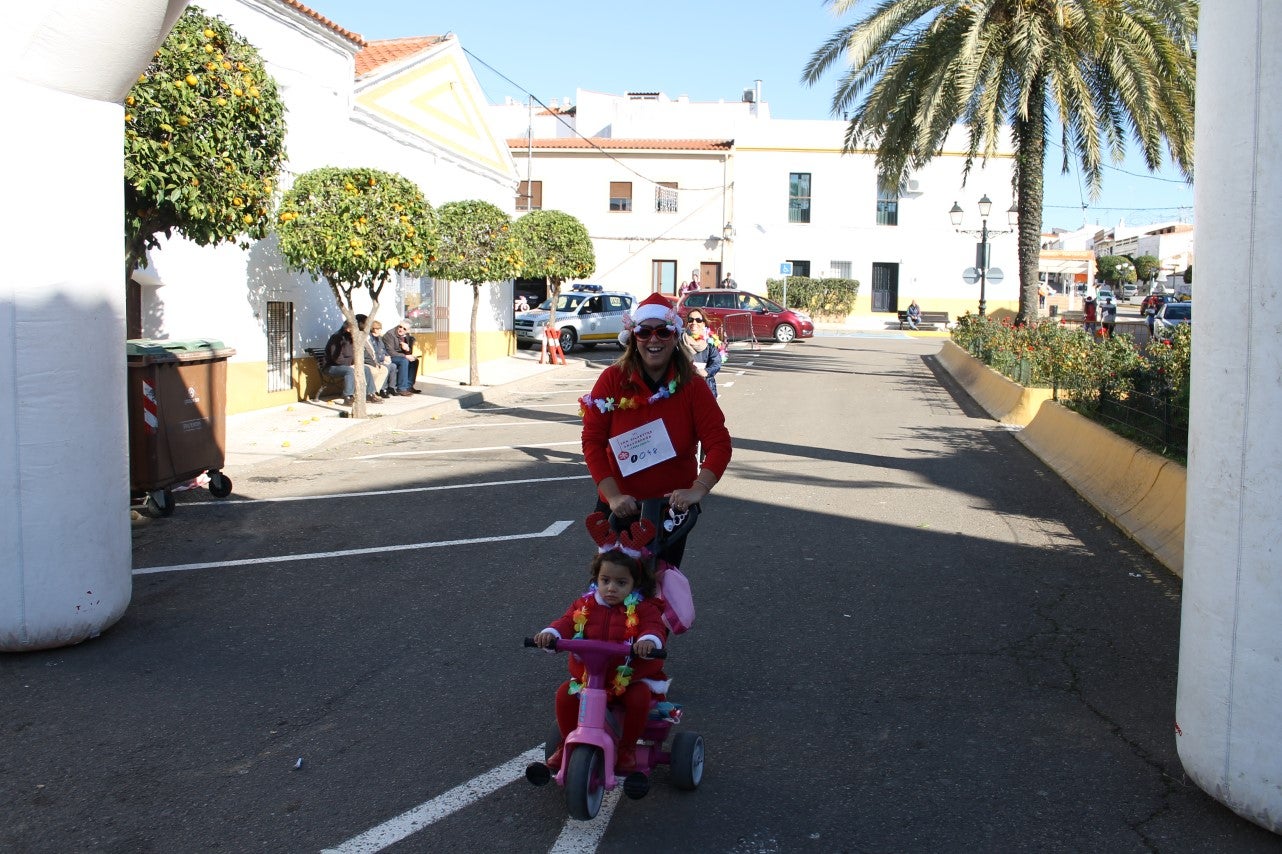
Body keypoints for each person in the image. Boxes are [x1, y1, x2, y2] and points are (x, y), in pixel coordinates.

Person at [580, 292, 732, 570]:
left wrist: (698, 489)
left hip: (669, 511)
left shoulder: (693, 387)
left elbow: (719, 443)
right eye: (645, 332)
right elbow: (592, 440)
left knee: (660, 591)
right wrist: (613, 496)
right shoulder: (612, 380)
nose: (654, 339)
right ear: (633, 337)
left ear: (675, 337)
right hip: (620, 507)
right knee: (614, 595)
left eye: (663, 332)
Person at [534, 545, 668, 774]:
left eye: (621, 583)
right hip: (591, 677)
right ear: (597, 579)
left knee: (639, 698)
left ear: (634, 584)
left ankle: (627, 748)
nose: (611, 588)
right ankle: (565, 743)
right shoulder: (584, 606)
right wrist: (552, 635)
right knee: (565, 695)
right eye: (605, 580)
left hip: (630, 677)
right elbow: (567, 622)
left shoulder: (644, 609)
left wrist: (648, 641)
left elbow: (653, 627)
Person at [323, 320, 381, 406]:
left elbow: (358, 353)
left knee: (366, 369)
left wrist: (358, 364)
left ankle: (370, 394)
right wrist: (350, 365)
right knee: (350, 371)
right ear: (348, 328)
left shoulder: (352, 338)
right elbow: (336, 358)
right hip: (332, 367)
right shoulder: (337, 338)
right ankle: (348, 397)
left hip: (348, 365)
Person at [680, 309, 722, 396]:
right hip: (684, 388)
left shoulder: (710, 341)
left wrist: (706, 372)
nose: (694, 323)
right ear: (687, 323)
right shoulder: (680, 340)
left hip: (706, 388)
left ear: (703, 323)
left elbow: (716, 363)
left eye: (698, 320)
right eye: (691, 320)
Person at [365, 320, 404, 397]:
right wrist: (383, 358)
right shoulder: (370, 339)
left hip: (382, 359)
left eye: (380, 329)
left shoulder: (379, 338)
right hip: (376, 360)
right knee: (387, 367)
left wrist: (387, 356)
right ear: (373, 329)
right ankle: (383, 389)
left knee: (393, 366)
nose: (379, 331)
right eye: (377, 329)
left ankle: (392, 387)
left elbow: (384, 349)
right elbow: (373, 352)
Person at [382, 321, 420, 394]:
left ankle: (409, 386)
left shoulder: (407, 336)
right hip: (390, 357)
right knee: (404, 361)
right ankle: (402, 388)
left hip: (400, 356)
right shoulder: (390, 334)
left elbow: (409, 351)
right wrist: (405, 356)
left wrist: (407, 349)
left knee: (414, 361)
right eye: (400, 327)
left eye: (404, 329)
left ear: (407, 330)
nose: (401, 329)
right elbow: (391, 352)